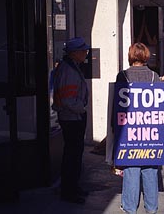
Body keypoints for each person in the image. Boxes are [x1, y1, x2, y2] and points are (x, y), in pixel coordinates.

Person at [115, 42, 164, 214]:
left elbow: (117, 107)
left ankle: (130, 209)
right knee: (151, 171)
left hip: (129, 133)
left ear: (131, 56)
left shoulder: (122, 76)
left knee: (131, 171)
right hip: (150, 133)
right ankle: (151, 209)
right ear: (145, 56)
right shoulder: (154, 76)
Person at [52, 37, 90, 204]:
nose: (86, 53)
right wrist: (81, 110)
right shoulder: (68, 70)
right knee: (72, 155)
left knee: (74, 154)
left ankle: (73, 187)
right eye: (83, 50)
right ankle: (69, 191)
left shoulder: (71, 67)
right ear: (74, 53)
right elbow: (68, 100)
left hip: (73, 116)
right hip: (72, 118)